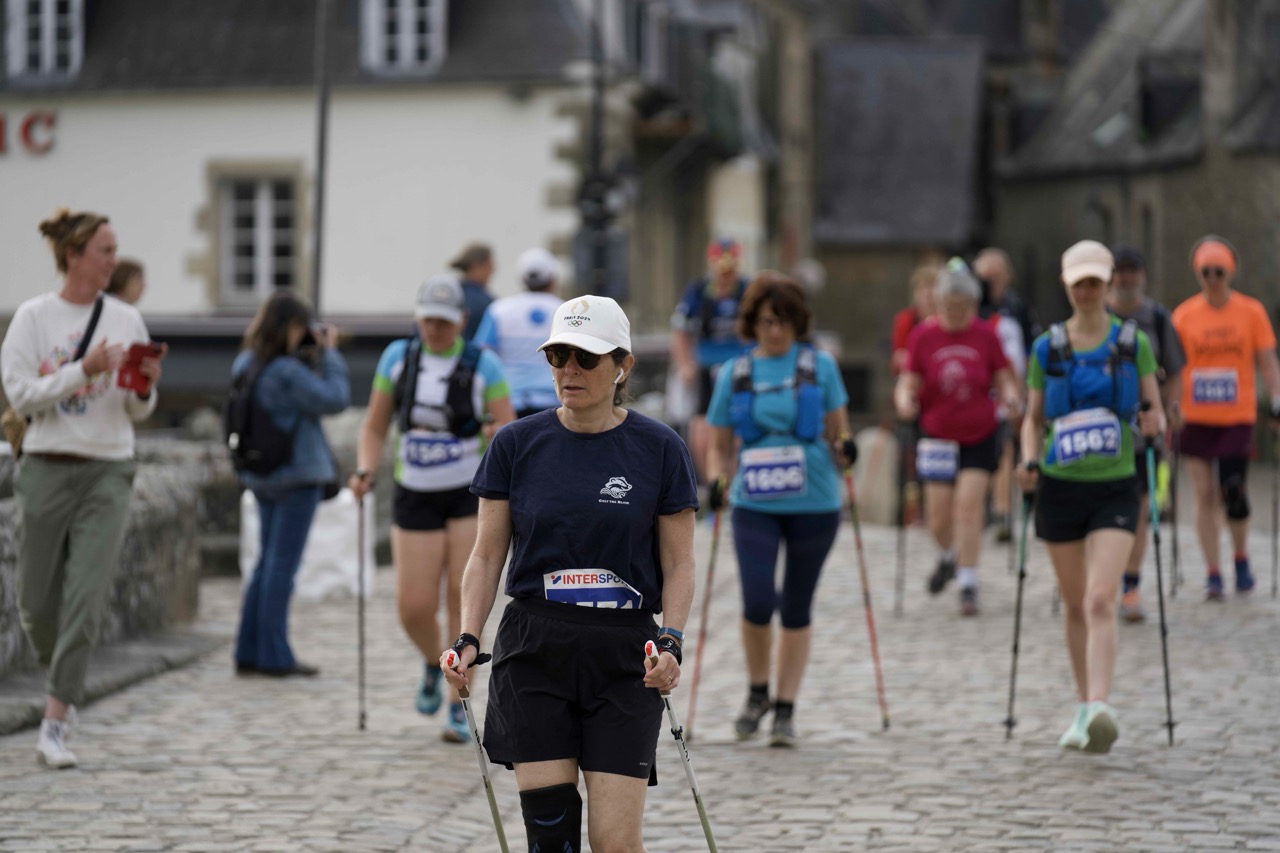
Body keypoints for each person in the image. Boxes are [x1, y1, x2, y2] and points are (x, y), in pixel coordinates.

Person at [441, 295, 697, 852]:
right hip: (535, 649)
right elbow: (486, 556)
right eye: (558, 356)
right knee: (550, 837)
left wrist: (672, 639)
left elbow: (679, 561)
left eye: (586, 357)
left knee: (614, 843)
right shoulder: (514, 444)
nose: (569, 370)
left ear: (622, 365)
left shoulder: (661, 449)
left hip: (625, 655)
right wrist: (467, 637)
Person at [1, 208, 167, 769]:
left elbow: (137, 409)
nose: (114, 260)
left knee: (86, 597)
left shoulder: (126, 319)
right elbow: (21, 395)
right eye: (104, 250)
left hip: (108, 469)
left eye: (114, 250)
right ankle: (64, 679)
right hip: (46, 465)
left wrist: (144, 386)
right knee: (33, 603)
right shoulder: (33, 318)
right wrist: (84, 369)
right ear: (73, 255)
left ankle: (54, 721)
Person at [349, 274, 513, 743]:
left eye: (443, 321)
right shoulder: (398, 358)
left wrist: (491, 434)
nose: (435, 329)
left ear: (462, 320)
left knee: (462, 603)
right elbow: (374, 426)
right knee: (414, 607)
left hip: (467, 494)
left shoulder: (485, 365)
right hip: (414, 492)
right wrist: (364, 468)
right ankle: (431, 661)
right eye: (427, 320)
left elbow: (508, 430)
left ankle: (459, 703)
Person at [1018, 240, 1164, 754]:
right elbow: (1033, 420)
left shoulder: (1132, 343)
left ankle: (1101, 705)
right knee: (1076, 603)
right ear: (1066, 285)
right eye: (1078, 283)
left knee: (1101, 598)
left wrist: (1154, 422)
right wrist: (1028, 460)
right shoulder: (1046, 348)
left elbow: (1154, 408)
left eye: (1094, 283)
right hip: (1060, 487)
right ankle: (1083, 706)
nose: (1086, 291)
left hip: (1116, 485)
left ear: (1106, 285)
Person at [704, 272, 854, 745]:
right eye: (767, 321)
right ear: (753, 323)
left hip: (815, 500)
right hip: (755, 501)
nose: (775, 330)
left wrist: (846, 448)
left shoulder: (820, 366)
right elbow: (718, 446)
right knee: (756, 600)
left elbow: (839, 429)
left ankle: (786, 708)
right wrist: (716, 479)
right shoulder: (735, 373)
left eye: (784, 321)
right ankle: (757, 691)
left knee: (796, 604)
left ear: (797, 322)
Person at [231, 292, 349, 680]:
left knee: (266, 563)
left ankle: (248, 650)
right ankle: (276, 656)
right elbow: (335, 398)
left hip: (261, 474)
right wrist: (330, 353)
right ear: (290, 326)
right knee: (281, 566)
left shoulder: (246, 361)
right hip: (296, 477)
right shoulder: (286, 371)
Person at [894, 259, 1022, 616]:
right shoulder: (923, 336)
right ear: (938, 304)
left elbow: (1003, 377)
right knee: (937, 518)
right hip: (937, 435)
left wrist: (1012, 398)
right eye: (949, 307)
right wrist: (904, 400)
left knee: (968, 506)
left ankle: (968, 581)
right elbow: (909, 380)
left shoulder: (985, 334)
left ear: (973, 305)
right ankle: (950, 556)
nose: (955, 314)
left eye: (962, 307)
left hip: (979, 433)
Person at [1171, 236, 1280, 600]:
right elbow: (1173, 367)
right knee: (1204, 493)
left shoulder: (1251, 312)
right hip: (1196, 415)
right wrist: (1171, 405)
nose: (1212, 279)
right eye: (1206, 272)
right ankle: (1213, 571)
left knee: (1233, 489)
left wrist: (1276, 399)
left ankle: (1240, 556)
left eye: (1219, 272)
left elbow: (1268, 361)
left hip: (1236, 415)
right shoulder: (1184, 315)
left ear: (1230, 272)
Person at [1108, 245, 1185, 621]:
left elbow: (1174, 370)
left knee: (1138, 510)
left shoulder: (1156, 317)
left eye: (1132, 270)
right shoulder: (1095, 316)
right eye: (1120, 271)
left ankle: (1131, 584)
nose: (1126, 277)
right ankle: (1102, 581)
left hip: (1142, 433)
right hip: (1101, 435)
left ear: (1142, 275)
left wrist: (1170, 411)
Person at [671, 238, 749, 479]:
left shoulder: (747, 290)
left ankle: (735, 479)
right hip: (706, 367)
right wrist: (685, 365)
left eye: (730, 271)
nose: (725, 278)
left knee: (738, 423)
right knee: (702, 423)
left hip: (740, 367)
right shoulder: (698, 291)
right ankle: (710, 481)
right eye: (721, 271)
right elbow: (680, 330)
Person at [974, 247, 1036, 544]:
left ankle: (1002, 512)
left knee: (1006, 449)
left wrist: (1026, 391)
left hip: (1009, 391)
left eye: (997, 276)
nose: (992, 283)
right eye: (986, 277)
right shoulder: (971, 307)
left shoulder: (1018, 307)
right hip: (976, 394)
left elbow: (1030, 351)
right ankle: (979, 510)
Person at [472, 247, 562, 418]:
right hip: (554, 403)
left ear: (521, 278)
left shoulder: (498, 310)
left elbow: (480, 356)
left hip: (509, 403)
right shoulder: (564, 311)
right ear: (552, 279)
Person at [890, 263, 939, 375]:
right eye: (923, 289)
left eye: (933, 288)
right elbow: (897, 359)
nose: (928, 295)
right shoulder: (905, 319)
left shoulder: (948, 321)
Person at [449, 242, 495, 342]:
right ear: (477, 265)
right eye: (490, 265)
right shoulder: (488, 303)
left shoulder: (451, 294)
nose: (493, 271)